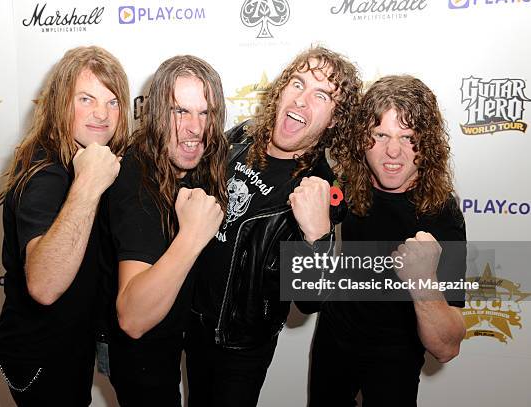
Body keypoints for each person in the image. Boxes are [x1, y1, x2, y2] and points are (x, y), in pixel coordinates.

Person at [185, 46, 362, 407]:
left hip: (241, 344)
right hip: (192, 322)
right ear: (281, 90)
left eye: (322, 95)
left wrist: (318, 235)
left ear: (335, 119)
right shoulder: (240, 137)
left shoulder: (320, 188)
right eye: (297, 84)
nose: (302, 100)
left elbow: (309, 301)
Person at [309, 75, 467, 406]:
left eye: (407, 137)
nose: (392, 151)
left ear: (426, 144)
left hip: (396, 353)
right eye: (380, 135)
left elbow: (447, 347)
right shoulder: (348, 182)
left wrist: (424, 283)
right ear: (362, 138)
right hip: (335, 337)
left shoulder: (441, 214)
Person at [0, 46, 130, 406]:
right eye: (86, 99)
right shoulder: (46, 173)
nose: (102, 113)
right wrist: (88, 184)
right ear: (59, 105)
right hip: (41, 359)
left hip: (71, 345)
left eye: (112, 102)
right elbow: (45, 286)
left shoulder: (83, 157)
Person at [99, 55, 228, 407]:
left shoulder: (202, 160)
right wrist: (192, 235)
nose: (195, 127)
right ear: (156, 113)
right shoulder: (135, 180)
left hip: (185, 334)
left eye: (205, 113)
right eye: (179, 112)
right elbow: (133, 318)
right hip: (140, 350)